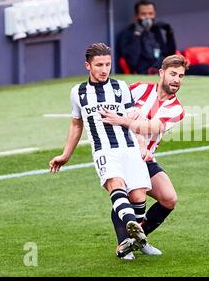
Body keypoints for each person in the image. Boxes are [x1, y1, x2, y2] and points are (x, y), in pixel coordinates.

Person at [49, 43, 160, 260]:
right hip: (104, 151)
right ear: (87, 66)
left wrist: (142, 147)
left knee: (138, 198)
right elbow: (76, 124)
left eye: (108, 64)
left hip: (129, 149)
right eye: (99, 64)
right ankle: (131, 232)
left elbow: (133, 120)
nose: (104, 69)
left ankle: (136, 240)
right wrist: (65, 155)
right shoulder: (78, 92)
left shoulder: (121, 87)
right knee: (116, 186)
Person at [100, 54, 187, 256]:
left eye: (181, 76)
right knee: (133, 195)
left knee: (169, 198)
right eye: (173, 74)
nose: (176, 80)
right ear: (161, 73)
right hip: (120, 153)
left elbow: (154, 127)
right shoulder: (139, 88)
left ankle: (138, 240)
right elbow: (113, 107)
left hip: (145, 157)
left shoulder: (176, 109)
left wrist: (127, 121)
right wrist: (125, 117)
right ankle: (123, 246)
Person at [118, 0, 209, 76]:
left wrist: (169, 33)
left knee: (206, 69)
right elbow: (132, 62)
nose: (147, 17)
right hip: (149, 72)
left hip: (167, 68)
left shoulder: (155, 30)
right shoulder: (128, 33)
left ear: (154, 14)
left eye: (150, 14)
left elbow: (169, 54)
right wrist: (137, 36)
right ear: (136, 16)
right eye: (143, 14)